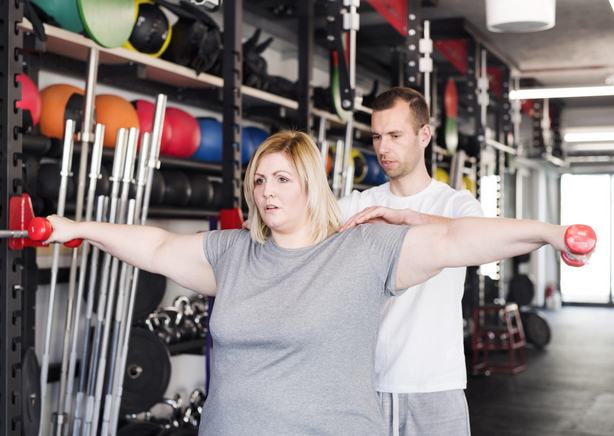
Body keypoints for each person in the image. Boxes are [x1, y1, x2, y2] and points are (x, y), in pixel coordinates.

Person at [46, 130, 587, 436]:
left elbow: (458, 240)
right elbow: (158, 246)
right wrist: (78, 228)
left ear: (309, 185)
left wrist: (551, 233)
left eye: (281, 178)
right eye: (259, 180)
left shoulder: (362, 251)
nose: (266, 191)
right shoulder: (232, 253)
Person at [337, 86, 481, 436]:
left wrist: (411, 220)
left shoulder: (455, 204)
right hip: (368, 386)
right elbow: (304, 228)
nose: (383, 148)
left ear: (424, 135)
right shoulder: (360, 205)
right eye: (377, 137)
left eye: (395, 135)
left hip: (435, 385)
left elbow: (479, 236)